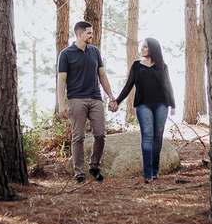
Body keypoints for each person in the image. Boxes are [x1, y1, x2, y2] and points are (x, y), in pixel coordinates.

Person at [58, 21, 118, 184]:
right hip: (76, 99)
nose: (92, 36)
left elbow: (102, 76)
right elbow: (62, 80)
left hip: (95, 98)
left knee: (100, 134)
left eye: (91, 33)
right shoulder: (66, 54)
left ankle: (94, 166)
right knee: (78, 136)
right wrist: (62, 104)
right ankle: (79, 172)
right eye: (89, 33)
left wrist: (112, 97)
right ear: (79, 34)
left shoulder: (94, 52)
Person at [113, 38, 176, 183]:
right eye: (142, 47)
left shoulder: (162, 66)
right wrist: (117, 101)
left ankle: (155, 170)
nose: (142, 49)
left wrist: (172, 104)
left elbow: (168, 85)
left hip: (161, 104)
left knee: (157, 137)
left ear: (152, 49)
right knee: (147, 136)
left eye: (145, 47)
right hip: (143, 105)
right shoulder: (136, 66)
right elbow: (128, 86)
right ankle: (147, 173)